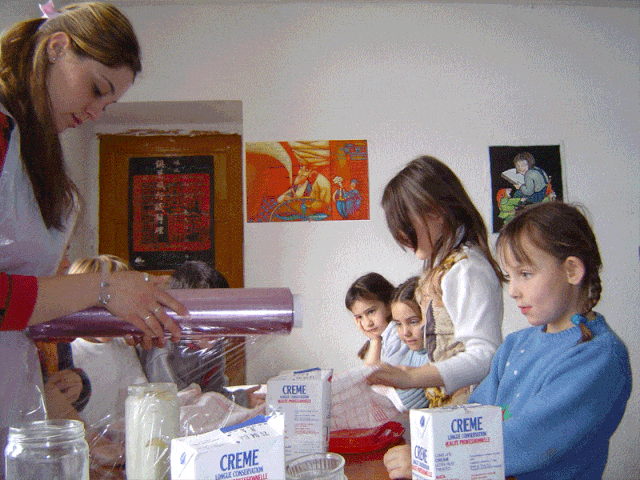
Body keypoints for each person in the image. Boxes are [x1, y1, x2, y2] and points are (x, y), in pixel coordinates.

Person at [0, 2, 187, 472]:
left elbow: (25, 306)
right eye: (96, 89)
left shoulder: (30, 153)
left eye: (108, 105)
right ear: (57, 48)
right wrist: (104, 288)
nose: (95, 111)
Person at [383, 202, 632, 480]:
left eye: (525, 274)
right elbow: (473, 418)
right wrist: (422, 439)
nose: (512, 291)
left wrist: (426, 458)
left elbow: (525, 442)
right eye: (510, 276)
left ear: (572, 270)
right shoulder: (515, 345)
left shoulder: (598, 356)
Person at [367, 156, 504, 406]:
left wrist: (413, 376)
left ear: (435, 212)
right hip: (448, 407)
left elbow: (486, 355)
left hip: (470, 410)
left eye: (404, 223)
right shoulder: (441, 266)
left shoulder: (466, 268)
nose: (400, 234)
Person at [139, 260, 263, 408]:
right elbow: (171, 404)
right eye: (202, 316)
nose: (212, 326)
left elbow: (214, 394)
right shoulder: (162, 347)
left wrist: (242, 399)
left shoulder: (213, 345)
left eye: (219, 317)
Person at [67, 255, 149, 428]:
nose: (113, 316)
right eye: (104, 304)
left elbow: (139, 394)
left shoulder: (122, 345)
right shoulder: (67, 350)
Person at [345, 272, 408, 366]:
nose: (367, 323)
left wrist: (375, 341)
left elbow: (373, 374)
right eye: (359, 317)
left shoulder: (397, 334)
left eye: (371, 312)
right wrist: (374, 340)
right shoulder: (381, 337)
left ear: (388, 304)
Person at [388, 276, 431, 410]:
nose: (405, 332)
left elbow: (402, 405)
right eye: (398, 324)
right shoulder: (411, 355)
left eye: (413, 322)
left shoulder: (434, 357)